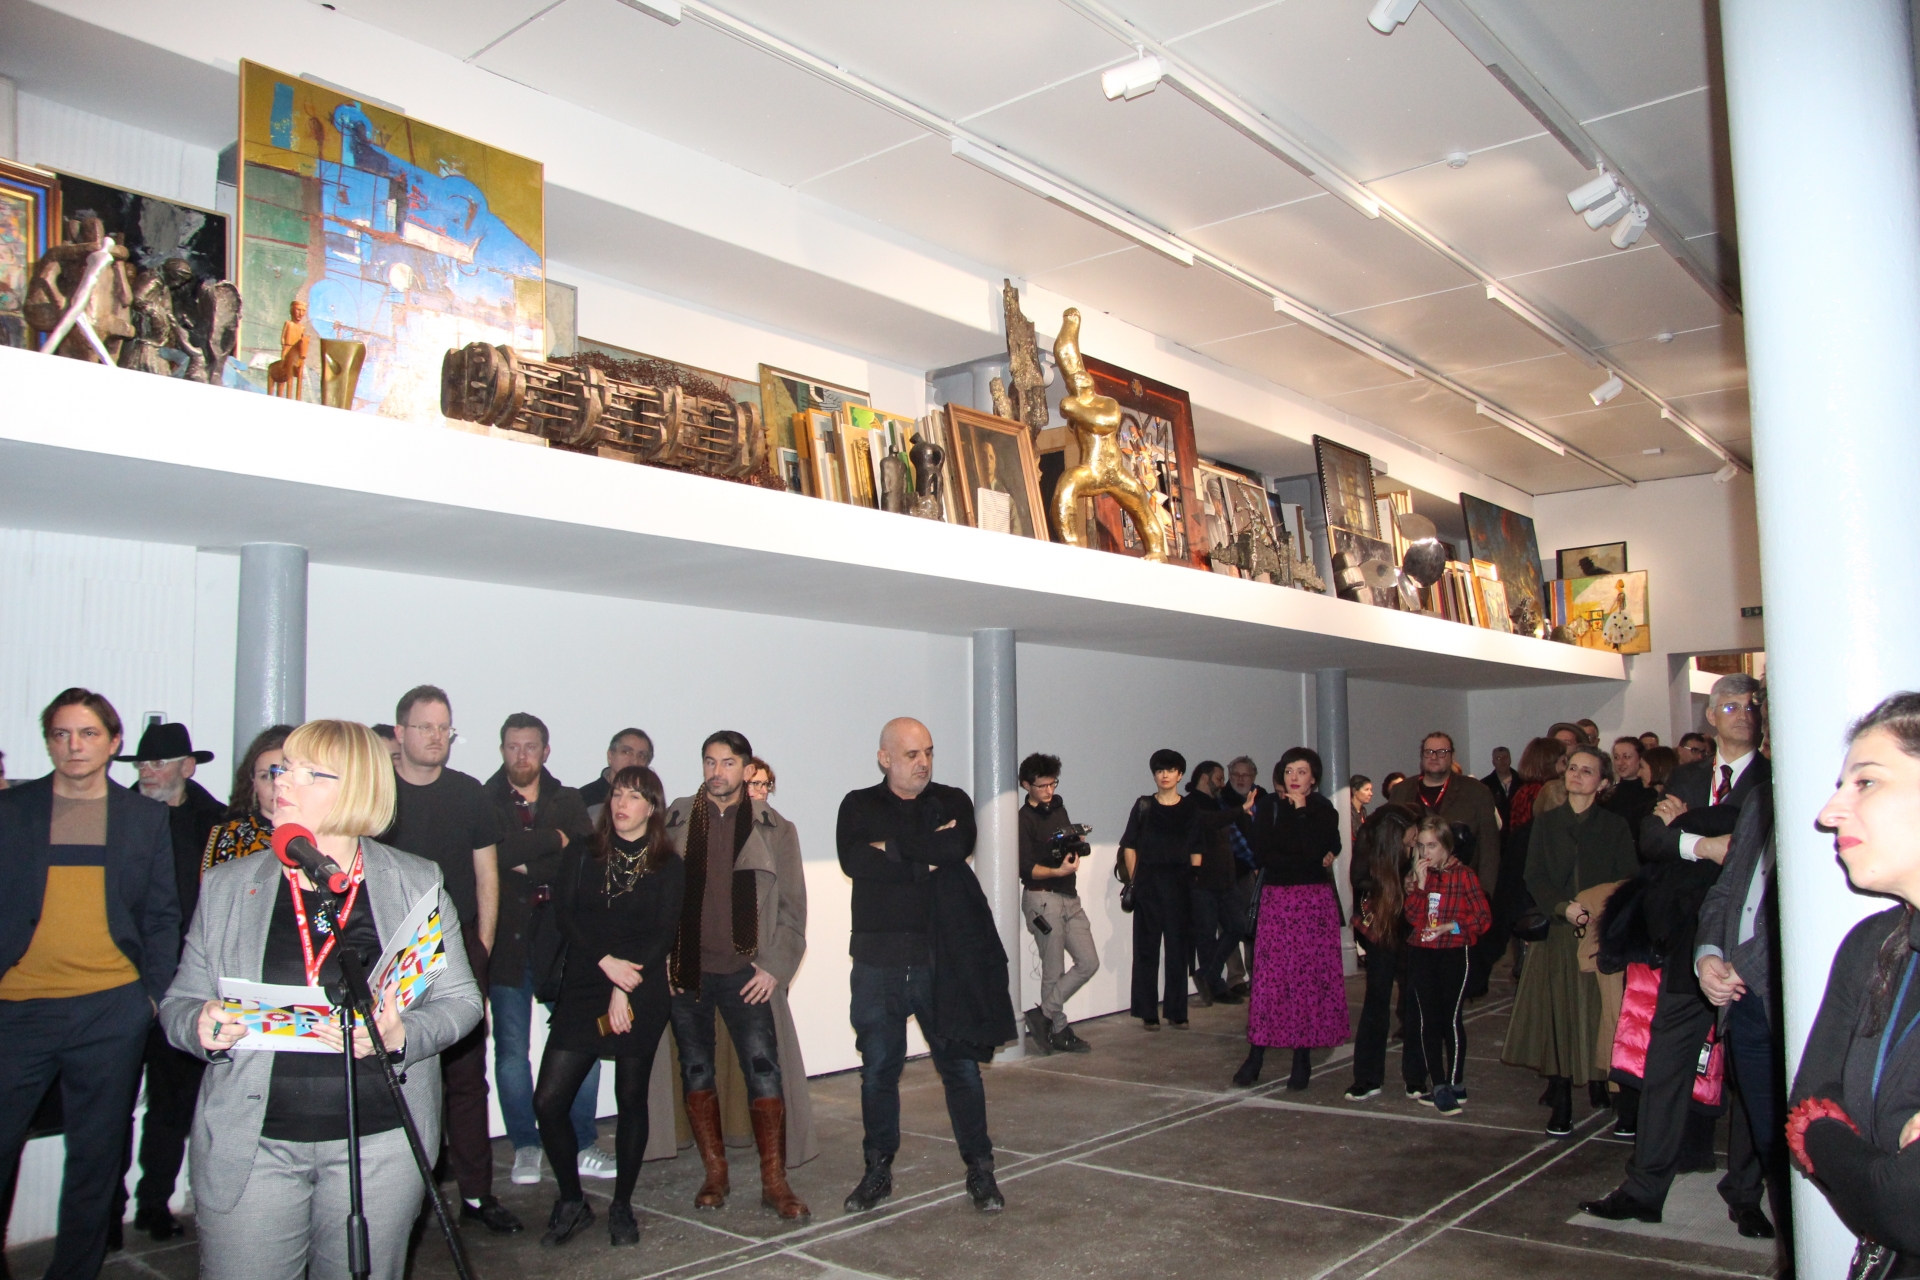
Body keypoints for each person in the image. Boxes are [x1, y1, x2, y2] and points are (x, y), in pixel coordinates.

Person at [162, 719, 484, 1280]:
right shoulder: (229, 885)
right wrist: (198, 1024)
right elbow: (180, 1002)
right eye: (283, 768)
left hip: (379, 1145)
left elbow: (461, 1002)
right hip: (254, 1143)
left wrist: (401, 1034)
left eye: (309, 773)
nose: (283, 782)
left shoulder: (414, 881)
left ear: (356, 787)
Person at [1583, 674, 1771, 1230]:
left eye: (1751, 706)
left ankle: (1745, 1193)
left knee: (1751, 1073)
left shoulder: (1773, 777)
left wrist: (1685, 832)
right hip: (1688, 939)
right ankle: (1645, 1189)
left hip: (1752, 940)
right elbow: (1651, 841)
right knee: (1666, 1063)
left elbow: (1747, 849)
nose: (1742, 715)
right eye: (1730, 707)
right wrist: (1706, 842)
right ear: (1710, 717)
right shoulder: (1688, 774)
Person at [0, 689, 177, 1280]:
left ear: (113, 742)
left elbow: (162, 916)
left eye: (88, 734)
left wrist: (148, 999)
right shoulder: (12, 810)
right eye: (61, 734)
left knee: (95, 1161)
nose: (74, 746)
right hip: (17, 1008)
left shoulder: (144, 818)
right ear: (49, 742)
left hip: (110, 1011)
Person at [837, 718, 1012, 1214]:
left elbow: (956, 847)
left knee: (961, 1068)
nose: (924, 763)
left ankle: (980, 1169)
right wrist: (924, 855)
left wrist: (891, 849)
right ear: (885, 758)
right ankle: (877, 1170)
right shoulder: (857, 805)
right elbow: (854, 861)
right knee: (878, 1071)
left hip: (942, 958)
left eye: (929, 752)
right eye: (912, 754)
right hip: (877, 960)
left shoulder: (952, 801)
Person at [1786, 693, 1920, 1270]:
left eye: (1866, 782)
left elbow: (1907, 1207)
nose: (1827, 813)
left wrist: (1839, 1142)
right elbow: (1806, 1104)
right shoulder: (1874, 944)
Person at [380, 685, 518, 1233]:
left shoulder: (468, 794)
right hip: (390, 960)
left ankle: (478, 1195)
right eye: (426, 727)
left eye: (445, 728)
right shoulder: (379, 795)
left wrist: (481, 945)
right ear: (400, 732)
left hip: (458, 953)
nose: (437, 737)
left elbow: (487, 873)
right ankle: (402, 1201)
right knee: (397, 1075)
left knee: (466, 1078)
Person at [664, 730, 813, 1220]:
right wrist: (664, 955)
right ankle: (715, 1174)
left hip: (747, 972)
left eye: (727, 763)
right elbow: (655, 895)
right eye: (709, 761)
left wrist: (774, 968)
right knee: (696, 1070)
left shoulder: (776, 829)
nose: (717, 771)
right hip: (689, 970)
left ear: (747, 770)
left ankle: (774, 1182)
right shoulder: (676, 819)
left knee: (764, 1073)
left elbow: (792, 910)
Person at [534, 764, 683, 1248]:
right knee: (548, 1101)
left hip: (639, 987)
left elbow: (662, 933)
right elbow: (566, 914)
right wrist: (605, 964)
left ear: (652, 807)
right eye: (618, 794)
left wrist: (624, 985)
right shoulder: (583, 851)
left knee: (630, 1098)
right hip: (584, 983)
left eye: (634, 796)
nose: (622, 803)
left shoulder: (669, 864)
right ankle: (572, 1200)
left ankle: (622, 1204)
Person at [117, 722, 227, 1240]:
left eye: (158, 764)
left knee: (172, 1103)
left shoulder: (216, 825)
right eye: (142, 764)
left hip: (184, 981)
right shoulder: (118, 816)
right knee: (111, 1104)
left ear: (187, 766)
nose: (147, 772)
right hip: (121, 978)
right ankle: (104, 1212)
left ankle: (154, 1202)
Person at [482, 714, 600, 1190]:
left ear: (545, 751)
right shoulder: (485, 800)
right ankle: (525, 1145)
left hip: (562, 941)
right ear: (502, 750)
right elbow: (492, 856)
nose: (522, 755)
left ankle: (583, 1142)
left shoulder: (567, 799)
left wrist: (524, 860)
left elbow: (584, 856)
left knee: (581, 1042)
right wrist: (552, 840)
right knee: (512, 1051)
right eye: (513, 746)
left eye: (530, 746)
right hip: (507, 944)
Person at [1503, 745, 1638, 1136]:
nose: (1576, 775)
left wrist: (1594, 907)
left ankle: (1607, 1085)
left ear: (1604, 783)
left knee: (1602, 1012)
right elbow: (1534, 876)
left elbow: (1628, 878)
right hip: (1559, 933)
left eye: (1587, 770)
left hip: (1599, 931)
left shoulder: (1614, 826)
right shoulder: (1546, 823)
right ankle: (1561, 1097)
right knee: (1559, 1014)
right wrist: (1563, 907)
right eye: (1573, 768)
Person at [1695, 786, 1790, 1262]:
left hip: (1788, 993)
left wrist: (1745, 965)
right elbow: (1727, 889)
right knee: (1766, 1130)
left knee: (1802, 1139)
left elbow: (1804, 905)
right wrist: (1708, 955)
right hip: (1742, 997)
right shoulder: (1758, 800)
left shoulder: (1820, 794)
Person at [1236, 748, 1345, 1090]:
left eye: (1301, 771)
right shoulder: (1269, 806)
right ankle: (1255, 1055)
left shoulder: (1323, 809)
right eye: (1288, 771)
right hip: (1277, 899)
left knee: (1307, 979)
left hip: (1313, 902)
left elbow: (1323, 848)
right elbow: (1263, 853)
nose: (1294, 777)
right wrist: (1301, 849)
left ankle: (1302, 1057)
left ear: (1314, 778)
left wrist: (1301, 817)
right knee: (1269, 979)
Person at [1387, 733, 1502, 996]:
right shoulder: (1402, 791)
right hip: (1414, 892)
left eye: (1442, 752)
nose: (1435, 757)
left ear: (1451, 756)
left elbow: (1489, 847)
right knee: (1413, 973)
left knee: (1451, 976)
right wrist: (1400, 882)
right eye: (1429, 752)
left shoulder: (1475, 791)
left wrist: (1485, 892)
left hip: (1457, 894)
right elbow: (1392, 845)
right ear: (1421, 756)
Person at [1119, 749, 1214, 1031]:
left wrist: (1193, 877)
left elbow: (1197, 847)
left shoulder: (1190, 809)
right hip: (1148, 883)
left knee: (1178, 950)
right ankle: (1147, 1011)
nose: (1165, 775)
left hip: (1180, 884)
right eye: (1160, 770)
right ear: (1154, 775)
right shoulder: (1144, 805)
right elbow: (1129, 844)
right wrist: (1135, 880)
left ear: (1180, 775)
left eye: (1170, 770)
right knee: (1146, 950)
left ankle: (1177, 1011)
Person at [1402, 816, 1491, 1115]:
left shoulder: (1463, 875)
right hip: (1422, 951)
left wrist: (1451, 926)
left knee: (1450, 1018)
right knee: (1428, 1019)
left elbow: (1483, 918)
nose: (1425, 852)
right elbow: (1413, 917)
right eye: (1421, 846)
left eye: (1432, 846)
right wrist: (1419, 886)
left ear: (1446, 846)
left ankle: (1455, 1082)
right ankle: (1438, 1084)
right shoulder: (1419, 876)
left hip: (1453, 951)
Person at [1017, 753, 1098, 1053]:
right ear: (1026, 785)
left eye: (1053, 784)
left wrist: (1073, 846)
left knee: (1088, 962)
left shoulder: (1059, 809)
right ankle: (1059, 1030)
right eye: (1042, 786)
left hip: (1069, 897)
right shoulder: (1022, 820)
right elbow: (1025, 868)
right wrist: (1057, 871)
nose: (1049, 790)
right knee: (1053, 969)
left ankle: (1044, 1015)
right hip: (1041, 899)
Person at [1345, 804, 1421, 1101]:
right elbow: (1358, 880)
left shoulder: (1416, 842)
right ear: (1393, 839)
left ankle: (1417, 1077)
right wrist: (1396, 883)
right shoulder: (1371, 840)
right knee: (1377, 999)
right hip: (1381, 923)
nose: (1414, 844)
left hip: (1413, 924)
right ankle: (1367, 1077)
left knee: (1416, 999)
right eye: (1410, 840)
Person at [1185, 761, 1245, 1011]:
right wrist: (1240, 810)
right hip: (1203, 882)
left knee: (1238, 926)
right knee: (1206, 937)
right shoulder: (1190, 804)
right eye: (1219, 778)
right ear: (1204, 778)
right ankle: (1216, 986)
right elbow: (1207, 822)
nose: (1222, 783)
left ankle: (1207, 975)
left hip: (1225, 881)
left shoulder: (1218, 803)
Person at [202, 724, 293, 875]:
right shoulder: (231, 836)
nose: (276, 785)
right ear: (253, 782)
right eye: (265, 776)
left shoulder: (318, 832)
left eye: (282, 774)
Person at [1219, 757, 1264, 995]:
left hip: (1253, 872)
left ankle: (1257, 975)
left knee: (1253, 923)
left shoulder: (1263, 798)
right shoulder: (1221, 800)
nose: (1239, 779)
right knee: (1228, 926)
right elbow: (1230, 836)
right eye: (1235, 774)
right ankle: (1235, 977)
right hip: (1228, 872)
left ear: (1253, 776)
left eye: (1245, 775)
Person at [579, 729, 654, 816]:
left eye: (641, 756)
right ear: (610, 756)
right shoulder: (584, 798)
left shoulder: (651, 800)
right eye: (626, 752)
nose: (634, 761)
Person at [1603, 736, 1659, 832]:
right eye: (1616, 757)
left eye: (1626, 757)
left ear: (1640, 759)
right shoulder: (1608, 795)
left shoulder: (1652, 795)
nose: (1620, 762)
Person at [1481, 747, 1519, 823]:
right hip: (1496, 827)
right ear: (1493, 762)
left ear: (1510, 759)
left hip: (1519, 827)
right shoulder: (1484, 785)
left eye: (1505, 757)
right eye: (1498, 758)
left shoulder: (1522, 781)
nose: (1502, 761)